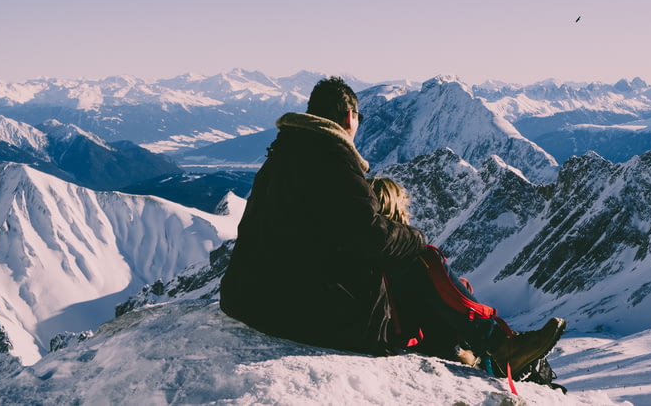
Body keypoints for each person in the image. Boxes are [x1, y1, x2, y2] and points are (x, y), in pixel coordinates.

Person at [220, 76, 565, 380]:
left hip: (254, 298)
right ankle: (497, 345)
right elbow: (370, 237)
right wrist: (415, 238)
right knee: (424, 260)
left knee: (406, 270)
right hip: (303, 309)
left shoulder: (282, 156)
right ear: (348, 117)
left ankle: (487, 345)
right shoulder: (331, 155)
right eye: (359, 118)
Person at [370, 176, 566, 381]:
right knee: (432, 266)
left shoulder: (367, 252)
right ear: (395, 207)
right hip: (397, 334)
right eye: (404, 206)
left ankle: (476, 350)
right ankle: (501, 346)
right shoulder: (408, 258)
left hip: (386, 327)